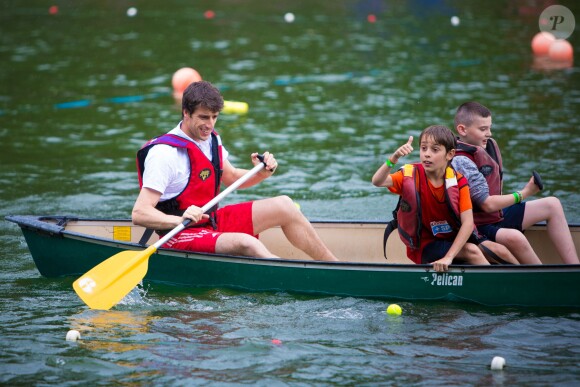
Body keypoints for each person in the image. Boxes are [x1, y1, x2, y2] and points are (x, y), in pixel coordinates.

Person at [132, 81, 339, 262]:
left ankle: (335, 267)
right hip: (179, 235)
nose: (210, 125)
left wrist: (261, 173)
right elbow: (140, 213)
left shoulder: (211, 139)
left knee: (284, 205)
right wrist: (179, 220)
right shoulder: (164, 155)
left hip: (210, 223)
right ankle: (299, 276)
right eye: (204, 117)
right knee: (247, 243)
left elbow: (230, 177)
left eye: (214, 117)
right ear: (186, 112)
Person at [451, 101, 579, 264]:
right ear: (462, 129)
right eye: (482, 129)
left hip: (496, 217)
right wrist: (525, 193)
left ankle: (574, 269)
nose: (489, 133)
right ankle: (543, 278)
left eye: (489, 128)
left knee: (552, 204)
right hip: (478, 226)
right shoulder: (461, 159)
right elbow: (487, 205)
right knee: (515, 237)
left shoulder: (488, 146)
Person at [372, 125, 490, 272]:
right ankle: (498, 287)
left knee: (494, 250)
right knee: (472, 251)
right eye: (423, 148)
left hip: (449, 241)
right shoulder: (409, 175)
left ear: (450, 154)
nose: (427, 154)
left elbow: (468, 223)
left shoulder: (459, 181)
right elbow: (377, 181)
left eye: (434, 150)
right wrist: (393, 158)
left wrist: (449, 256)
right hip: (423, 246)